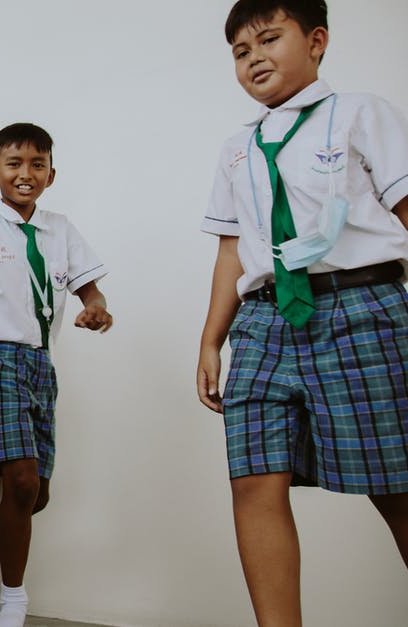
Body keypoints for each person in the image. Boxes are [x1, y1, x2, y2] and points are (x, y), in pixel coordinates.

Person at [197, 1, 408, 624]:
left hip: (359, 305)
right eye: (241, 51)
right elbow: (232, 251)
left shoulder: (362, 114)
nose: (255, 57)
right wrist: (212, 339)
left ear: (316, 41)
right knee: (254, 478)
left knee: (394, 483)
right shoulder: (237, 149)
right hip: (262, 321)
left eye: (269, 39)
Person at [0, 123, 112, 626]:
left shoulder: (60, 228)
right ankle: (13, 601)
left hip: (39, 364)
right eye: (14, 165)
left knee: (36, 492)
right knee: (21, 478)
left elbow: (89, 290)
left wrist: (96, 306)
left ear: (51, 173)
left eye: (37, 165)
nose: (26, 174)